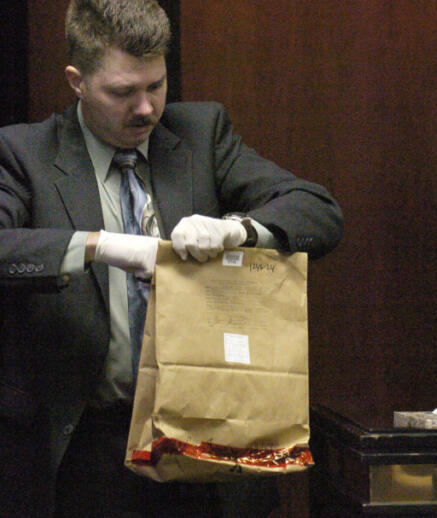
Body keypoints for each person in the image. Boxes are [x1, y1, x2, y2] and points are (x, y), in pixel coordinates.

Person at [0, 0, 343, 516]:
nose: (145, 109)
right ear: (76, 81)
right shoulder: (23, 152)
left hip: (200, 440)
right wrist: (99, 246)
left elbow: (319, 212)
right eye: (122, 92)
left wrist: (239, 230)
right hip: (85, 446)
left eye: (155, 86)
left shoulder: (200, 135)